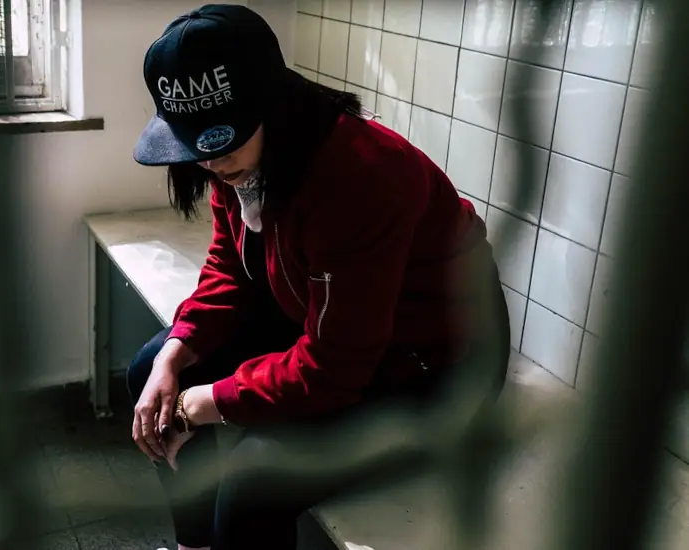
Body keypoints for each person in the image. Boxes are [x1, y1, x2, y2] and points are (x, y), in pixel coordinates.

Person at [119, 4, 511, 550]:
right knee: (151, 371)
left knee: (256, 476)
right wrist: (173, 357)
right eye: (195, 146)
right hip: (333, 318)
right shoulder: (240, 161)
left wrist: (202, 404)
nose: (209, 163)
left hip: (434, 364)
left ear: (272, 104)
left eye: (222, 142)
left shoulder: (360, 178)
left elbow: (334, 367)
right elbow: (230, 268)